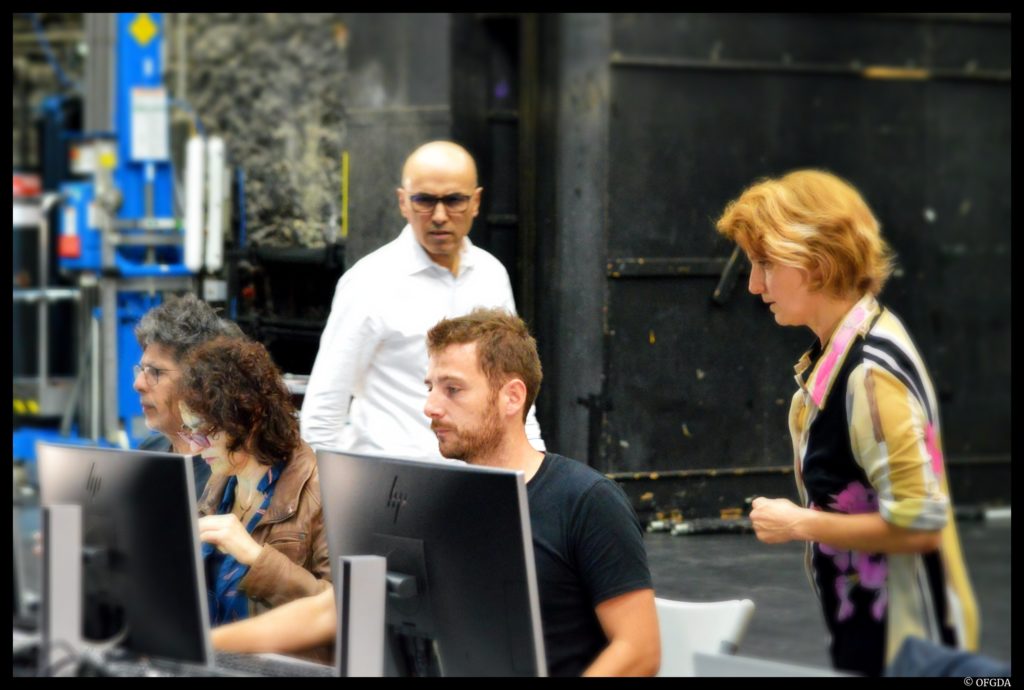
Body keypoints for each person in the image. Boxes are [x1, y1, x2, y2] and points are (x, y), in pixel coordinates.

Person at [212, 309, 660, 677]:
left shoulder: (584, 501)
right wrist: (203, 645)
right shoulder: (428, 504)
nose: (430, 405)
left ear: (512, 397)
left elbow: (639, 650)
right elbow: (334, 611)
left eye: (452, 389)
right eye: (430, 388)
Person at [715, 169, 979, 677]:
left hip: (909, 651)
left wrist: (799, 523)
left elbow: (921, 527)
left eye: (765, 263)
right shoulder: (842, 356)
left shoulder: (870, 372)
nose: (753, 284)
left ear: (815, 263)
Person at [300, 140, 544, 459]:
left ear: (476, 202)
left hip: (479, 481)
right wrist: (330, 500)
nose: (440, 215)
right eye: (424, 201)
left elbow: (515, 390)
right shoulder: (370, 281)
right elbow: (323, 411)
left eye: (454, 200)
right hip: (393, 485)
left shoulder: (490, 274)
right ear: (403, 202)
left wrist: (536, 475)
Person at [177, 336, 332, 662]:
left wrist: (254, 556)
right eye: (189, 432)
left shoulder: (323, 493)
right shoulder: (220, 483)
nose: (195, 446)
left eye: (203, 431)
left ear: (249, 419)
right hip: (212, 662)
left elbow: (341, 614)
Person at [133, 292, 245, 498]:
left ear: (201, 379)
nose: (138, 384)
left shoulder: (231, 474)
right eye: (141, 370)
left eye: (155, 372)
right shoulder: (147, 453)